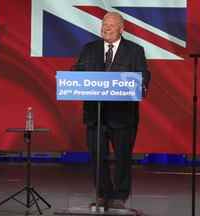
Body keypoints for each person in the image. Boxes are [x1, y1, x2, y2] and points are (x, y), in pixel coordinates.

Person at [75, 11, 150, 209]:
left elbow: (144, 76)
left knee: (123, 158)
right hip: (95, 115)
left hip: (123, 115)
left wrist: (140, 85)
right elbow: (77, 74)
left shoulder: (135, 51)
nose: (106, 28)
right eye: (104, 24)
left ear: (121, 28)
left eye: (111, 25)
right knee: (97, 157)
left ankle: (120, 195)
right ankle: (102, 193)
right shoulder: (89, 49)